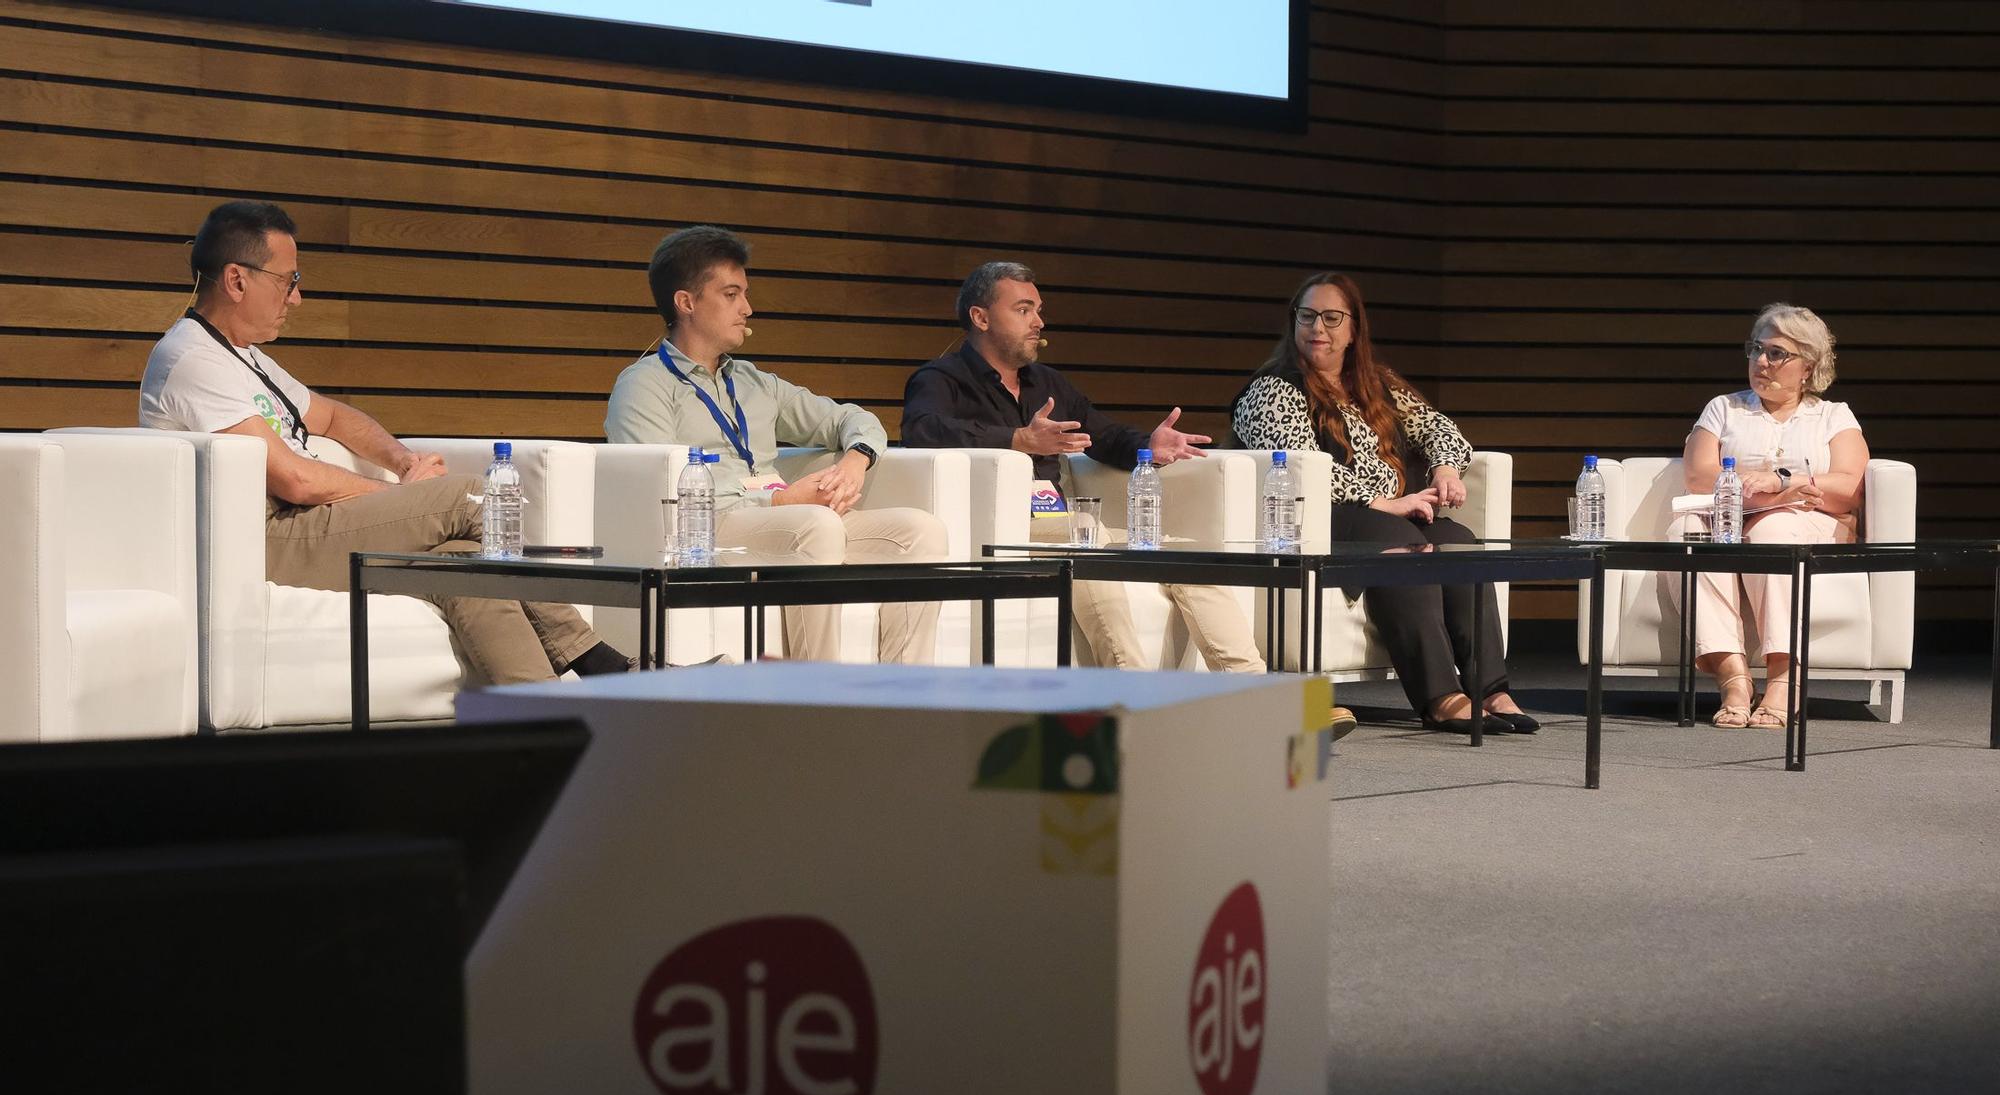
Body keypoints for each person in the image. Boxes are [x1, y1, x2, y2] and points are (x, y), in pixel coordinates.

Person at [140, 200, 633, 685]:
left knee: (464, 563)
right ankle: (603, 666)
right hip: (266, 540)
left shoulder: (242, 356)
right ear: (237, 279)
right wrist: (406, 498)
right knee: (476, 499)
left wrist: (403, 460)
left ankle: (553, 720)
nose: (296, 298)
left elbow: (332, 416)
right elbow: (293, 477)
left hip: (302, 528)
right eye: (288, 280)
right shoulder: (191, 360)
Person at [902, 264, 1323, 710]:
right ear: (981, 318)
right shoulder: (940, 379)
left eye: (1039, 310)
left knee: (1186, 554)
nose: (1039, 322)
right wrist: (1017, 440)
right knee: (1087, 536)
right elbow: (922, 431)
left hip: (1060, 523)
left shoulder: (1046, 382)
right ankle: (1130, 696)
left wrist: (1150, 443)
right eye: (1024, 310)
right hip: (995, 531)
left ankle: (1255, 692)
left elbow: (1102, 434)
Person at [606, 226, 948, 664]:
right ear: (686, 302)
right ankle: (811, 697)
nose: (747, 308)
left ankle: (903, 694)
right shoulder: (644, 386)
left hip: (783, 520)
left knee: (920, 532)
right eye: (732, 295)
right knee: (816, 525)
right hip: (710, 530)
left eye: (745, 294)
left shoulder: (753, 381)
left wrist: (854, 462)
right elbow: (658, 488)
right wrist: (780, 501)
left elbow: (852, 418)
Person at [1232, 271, 1536, 734]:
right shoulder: (1273, 388)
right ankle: (1439, 696)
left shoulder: (1376, 384)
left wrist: (1445, 467)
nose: (1318, 328)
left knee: (1459, 540)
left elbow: (1441, 429)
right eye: (1307, 316)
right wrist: (1379, 502)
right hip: (1316, 517)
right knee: (1399, 541)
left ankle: (1491, 688)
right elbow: (1297, 467)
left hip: (1390, 511)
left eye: (1332, 318)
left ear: (1354, 329)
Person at [1683, 304, 1868, 729]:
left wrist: (1780, 480)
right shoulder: (1724, 408)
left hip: (1810, 523)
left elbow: (1848, 489)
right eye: (1755, 350)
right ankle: (1734, 678)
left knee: (1774, 528)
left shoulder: (1832, 416)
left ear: (1808, 366)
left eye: (1777, 353)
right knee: (1688, 533)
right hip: (1732, 518)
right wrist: (1771, 496)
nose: (1761, 362)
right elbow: (1697, 476)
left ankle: (1785, 677)